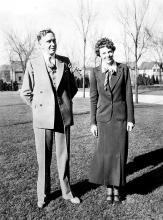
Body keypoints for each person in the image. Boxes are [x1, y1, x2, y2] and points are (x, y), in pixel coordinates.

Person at [20, 29, 80, 208]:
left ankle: (67, 192)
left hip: (62, 117)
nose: (52, 44)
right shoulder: (33, 63)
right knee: (43, 159)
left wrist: (65, 104)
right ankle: (42, 195)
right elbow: (25, 92)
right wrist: (38, 107)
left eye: (54, 40)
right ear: (40, 45)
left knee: (64, 157)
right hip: (42, 119)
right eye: (48, 41)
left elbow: (73, 88)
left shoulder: (65, 62)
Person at [89, 38, 135, 204]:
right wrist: (93, 122)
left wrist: (130, 119)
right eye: (103, 53)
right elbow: (93, 98)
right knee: (106, 155)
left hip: (120, 119)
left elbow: (128, 94)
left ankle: (118, 188)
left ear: (113, 51)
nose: (107, 55)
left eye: (109, 51)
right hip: (103, 119)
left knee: (119, 154)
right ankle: (109, 189)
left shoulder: (123, 69)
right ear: (99, 55)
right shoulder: (94, 72)